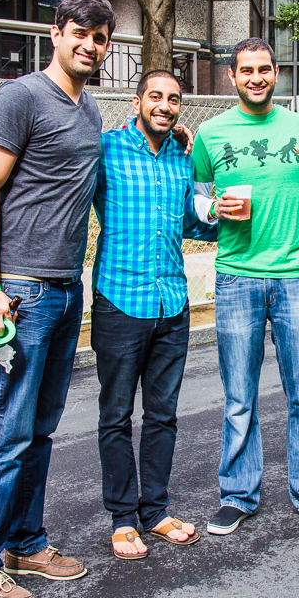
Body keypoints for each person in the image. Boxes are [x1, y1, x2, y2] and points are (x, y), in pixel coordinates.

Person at [0, 0, 118, 598]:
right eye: (80, 33)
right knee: (8, 429)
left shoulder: (89, 107)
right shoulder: (21, 97)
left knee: (40, 429)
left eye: (100, 38)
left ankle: (25, 544)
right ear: (56, 33)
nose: (89, 45)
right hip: (21, 291)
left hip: (65, 288)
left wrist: (170, 132)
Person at [192, 37, 299, 535]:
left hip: (297, 275)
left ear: (277, 73)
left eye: (265, 69)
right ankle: (237, 494)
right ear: (231, 76)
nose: (256, 78)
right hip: (237, 276)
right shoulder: (210, 133)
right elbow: (196, 200)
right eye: (246, 70)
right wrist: (213, 209)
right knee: (239, 396)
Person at [91, 70, 217, 561]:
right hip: (120, 299)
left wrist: (217, 212)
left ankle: (156, 510)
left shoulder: (182, 157)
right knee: (116, 415)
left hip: (172, 302)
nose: (165, 105)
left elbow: (192, 223)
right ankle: (123, 518)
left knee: (163, 414)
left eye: (174, 99)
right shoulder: (106, 149)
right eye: (156, 96)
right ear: (137, 101)